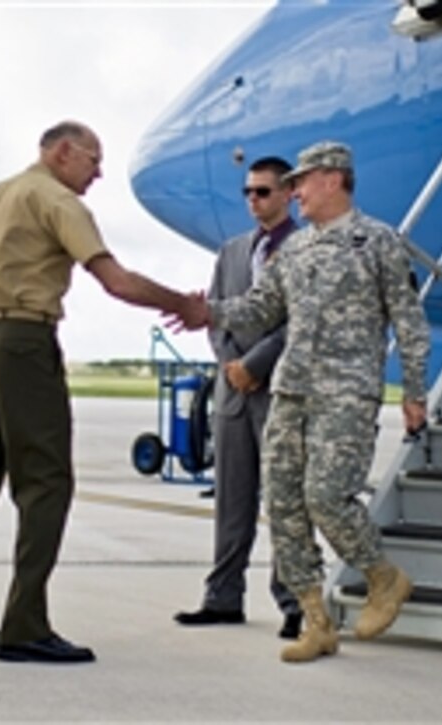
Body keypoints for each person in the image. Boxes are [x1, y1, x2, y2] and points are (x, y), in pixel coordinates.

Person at [0, 121, 201, 664]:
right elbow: (117, 282)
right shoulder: (55, 199)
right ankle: (25, 625)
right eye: (94, 160)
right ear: (62, 152)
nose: (98, 172)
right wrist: (186, 305)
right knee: (47, 481)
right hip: (25, 342)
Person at [167, 140, 430, 663]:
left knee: (327, 496)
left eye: (300, 182)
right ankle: (316, 621)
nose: (294, 193)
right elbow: (260, 307)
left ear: (332, 180)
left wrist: (415, 391)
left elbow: (409, 320)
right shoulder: (295, 249)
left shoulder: (378, 242)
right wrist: (208, 313)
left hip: (346, 392)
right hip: (291, 390)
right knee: (284, 503)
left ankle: (383, 576)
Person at [174, 157, 302, 639]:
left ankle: (293, 602)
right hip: (232, 393)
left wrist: (256, 366)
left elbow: (299, 322)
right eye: (248, 192)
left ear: (288, 193)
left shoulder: (305, 250)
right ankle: (222, 598)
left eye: (263, 192)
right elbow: (216, 315)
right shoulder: (230, 252)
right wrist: (231, 365)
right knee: (232, 501)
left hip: (279, 392)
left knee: (286, 503)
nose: (253, 200)